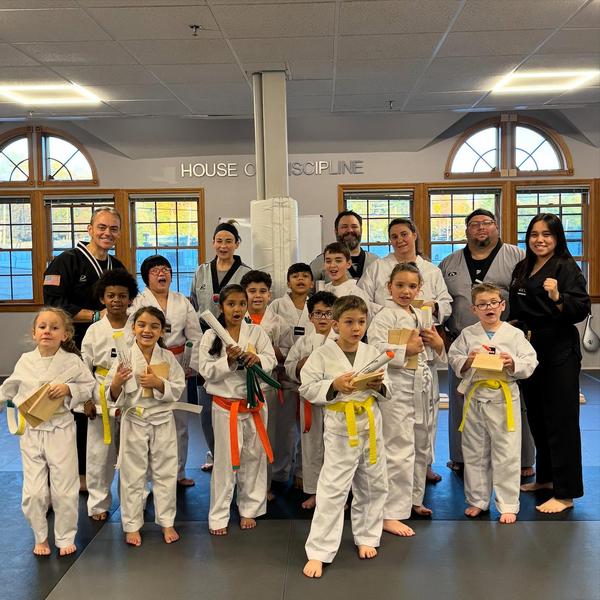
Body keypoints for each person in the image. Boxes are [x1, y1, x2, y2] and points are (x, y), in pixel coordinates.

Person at [300, 295, 390, 579]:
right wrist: (334, 385)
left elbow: (387, 387)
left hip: (370, 422)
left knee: (373, 483)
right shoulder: (321, 354)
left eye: (361, 322)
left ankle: (367, 536)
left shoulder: (372, 352)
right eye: (349, 322)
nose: (356, 328)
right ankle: (319, 551)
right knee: (333, 489)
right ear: (336, 324)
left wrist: (378, 385)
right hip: (341, 425)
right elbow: (307, 387)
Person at [439, 209, 534, 476]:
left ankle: (523, 460)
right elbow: (441, 302)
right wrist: (444, 337)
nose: (481, 228)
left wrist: (523, 325)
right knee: (462, 400)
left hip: (505, 341)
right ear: (466, 230)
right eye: (474, 224)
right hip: (464, 341)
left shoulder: (518, 257)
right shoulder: (449, 263)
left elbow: (529, 294)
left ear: (497, 227)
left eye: (487, 223)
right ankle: (461, 457)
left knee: (515, 403)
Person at [359, 217, 451, 482]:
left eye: (404, 234)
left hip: (423, 349)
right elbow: (363, 299)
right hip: (393, 352)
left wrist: (431, 308)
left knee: (426, 415)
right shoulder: (378, 267)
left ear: (414, 235)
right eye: (394, 236)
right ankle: (396, 477)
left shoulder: (430, 270)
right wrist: (392, 312)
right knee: (396, 428)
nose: (399, 240)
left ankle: (424, 465)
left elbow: (445, 302)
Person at [510, 213, 590, 514]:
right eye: (534, 234)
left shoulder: (566, 267)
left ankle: (566, 492)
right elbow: (518, 307)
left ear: (557, 238)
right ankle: (545, 478)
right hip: (528, 348)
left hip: (559, 348)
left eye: (547, 234)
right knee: (538, 417)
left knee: (561, 419)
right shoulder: (523, 266)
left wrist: (557, 296)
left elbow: (580, 308)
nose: (539, 240)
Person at [43, 207, 126, 491]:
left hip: (109, 350)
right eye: (102, 227)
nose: (107, 233)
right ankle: (74, 473)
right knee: (76, 409)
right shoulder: (65, 262)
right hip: (72, 347)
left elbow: (127, 302)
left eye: (113, 229)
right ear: (90, 229)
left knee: (106, 410)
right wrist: (95, 315)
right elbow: (53, 304)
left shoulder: (116, 265)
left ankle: (102, 471)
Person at [0, 308, 95, 556]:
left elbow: (89, 386)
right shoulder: (25, 361)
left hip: (61, 429)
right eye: (42, 327)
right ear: (34, 333)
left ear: (65, 334)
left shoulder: (72, 362)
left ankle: (65, 537)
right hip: (32, 430)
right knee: (34, 492)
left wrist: (68, 389)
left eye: (54, 328)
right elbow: (10, 388)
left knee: (65, 487)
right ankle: (40, 536)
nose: (47, 332)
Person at [367, 263, 446, 536]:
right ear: (389, 287)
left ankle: (414, 499)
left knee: (420, 445)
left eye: (412, 286)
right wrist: (404, 349)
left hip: (420, 387)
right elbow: (374, 350)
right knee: (398, 449)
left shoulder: (420, 314)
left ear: (420, 289)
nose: (405, 291)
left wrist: (437, 344)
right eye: (399, 285)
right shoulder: (384, 316)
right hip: (397, 389)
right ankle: (391, 512)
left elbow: (431, 353)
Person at [448, 283, 537, 524]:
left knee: (506, 452)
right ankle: (477, 500)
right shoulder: (468, 334)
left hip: (503, 398)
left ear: (502, 306)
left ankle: (508, 504)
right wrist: (468, 361)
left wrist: (513, 362)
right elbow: (454, 358)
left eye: (494, 303)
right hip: (475, 398)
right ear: (474, 309)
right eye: (483, 304)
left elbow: (531, 361)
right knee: (474, 451)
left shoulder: (514, 334)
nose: (489, 308)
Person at [197, 285, 277, 535]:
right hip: (225, 406)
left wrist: (258, 359)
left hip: (254, 404)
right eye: (231, 304)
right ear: (221, 307)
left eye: (242, 304)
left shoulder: (256, 332)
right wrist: (229, 360)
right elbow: (205, 370)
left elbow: (271, 359)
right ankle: (219, 515)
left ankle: (250, 509)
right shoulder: (211, 336)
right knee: (225, 461)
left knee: (254, 456)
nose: (237, 309)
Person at [108, 306, 186, 546]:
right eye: (141, 325)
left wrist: (158, 383)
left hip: (162, 420)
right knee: (132, 474)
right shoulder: (123, 357)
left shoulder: (168, 357)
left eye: (154, 326)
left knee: (166, 472)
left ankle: (167, 521)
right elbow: (111, 395)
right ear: (133, 328)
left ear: (162, 331)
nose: (147, 330)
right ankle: (132, 525)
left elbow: (178, 387)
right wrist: (117, 382)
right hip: (135, 421)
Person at [129, 255, 202, 487]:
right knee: (147, 420)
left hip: (177, 363)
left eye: (166, 269)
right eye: (155, 270)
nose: (162, 273)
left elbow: (195, 336)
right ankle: (147, 478)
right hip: (147, 363)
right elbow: (131, 334)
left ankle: (178, 472)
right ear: (146, 277)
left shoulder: (182, 301)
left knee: (179, 421)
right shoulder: (138, 302)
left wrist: (191, 365)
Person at [190, 222, 251, 472]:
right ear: (213, 243)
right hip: (208, 340)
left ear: (237, 244)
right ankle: (215, 452)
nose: (223, 246)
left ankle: (238, 457)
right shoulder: (202, 271)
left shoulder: (245, 273)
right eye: (219, 241)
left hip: (235, 341)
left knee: (234, 402)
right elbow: (195, 303)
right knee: (206, 405)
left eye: (228, 241)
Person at [81, 268, 139, 521]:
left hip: (132, 390)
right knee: (99, 453)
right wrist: (86, 398)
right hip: (100, 390)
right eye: (111, 296)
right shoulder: (94, 330)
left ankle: (136, 498)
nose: (116, 300)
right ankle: (98, 503)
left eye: (122, 296)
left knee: (134, 450)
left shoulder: (137, 327)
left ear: (130, 299)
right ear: (102, 298)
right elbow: (84, 368)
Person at [240, 270, 294, 499]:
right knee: (244, 439)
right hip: (240, 386)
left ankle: (266, 484)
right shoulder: (237, 319)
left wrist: (266, 349)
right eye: (252, 291)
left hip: (267, 383)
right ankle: (243, 485)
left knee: (267, 435)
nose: (257, 296)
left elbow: (288, 354)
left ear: (270, 295)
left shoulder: (278, 322)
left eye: (262, 291)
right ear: (244, 294)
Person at [284, 290, 338, 510]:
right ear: (310, 317)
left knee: (335, 447)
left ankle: (335, 494)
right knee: (312, 446)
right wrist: (300, 364)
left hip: (335, 401)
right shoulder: (303, 342)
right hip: (310, 402)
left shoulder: (341, 340)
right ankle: (314, 491)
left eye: (328, 313)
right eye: (318, 313)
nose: (323, 318)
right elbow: (289, 366)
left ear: (335, 316)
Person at [310, 210, 378, 283]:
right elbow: (307, 289)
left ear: (361, 230)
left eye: (354, 226)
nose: (350, 230)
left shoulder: (375, 262)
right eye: (344, 227)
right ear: (336, 231)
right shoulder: (321, 261)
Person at [269, 263, 314, 345]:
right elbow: (267, 331)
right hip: (280, 351)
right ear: (288, 284)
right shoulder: (277, 305)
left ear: (312, 284)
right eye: (295, 276)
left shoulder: (315, 306)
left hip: (310, 351)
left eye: (305, 276)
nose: (300, 279)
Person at [322, 242, 371, 307]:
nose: (332, 265)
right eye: (328, 261)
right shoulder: (324, 289)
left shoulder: (356, 289)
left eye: (338, 261)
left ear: (348, 264)